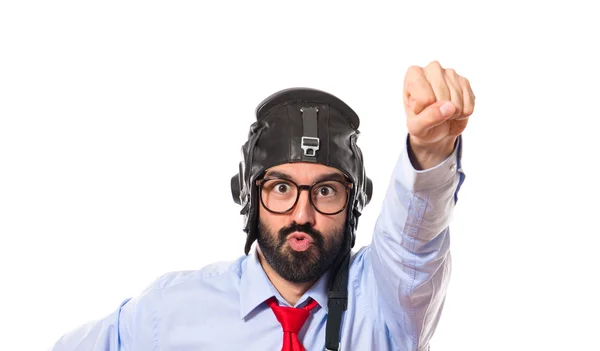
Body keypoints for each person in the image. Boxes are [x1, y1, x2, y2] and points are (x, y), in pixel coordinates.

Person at [51, 60, 475, 351]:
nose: (302, 215)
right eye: (281, 188)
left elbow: (412, 242)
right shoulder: (171, 309)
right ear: (250, 195)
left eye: (326, 191)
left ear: (355, 202)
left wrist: (430, 150)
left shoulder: (385, 302)